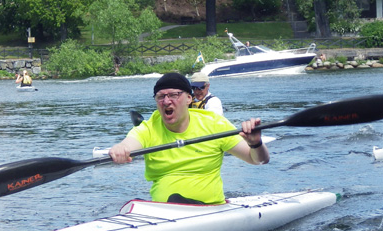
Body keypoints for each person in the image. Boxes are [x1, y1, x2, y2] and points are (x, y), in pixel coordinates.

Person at [108, 72, 268, 205]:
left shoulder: (214, 124)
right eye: (160, 97)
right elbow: (129, 143)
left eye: (173, 95)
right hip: (164, 212)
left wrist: (256, 143)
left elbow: (259, 160)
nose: (166, 101)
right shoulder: (148, 128)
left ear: (188, 99)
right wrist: (121, 149)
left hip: (211, 211)